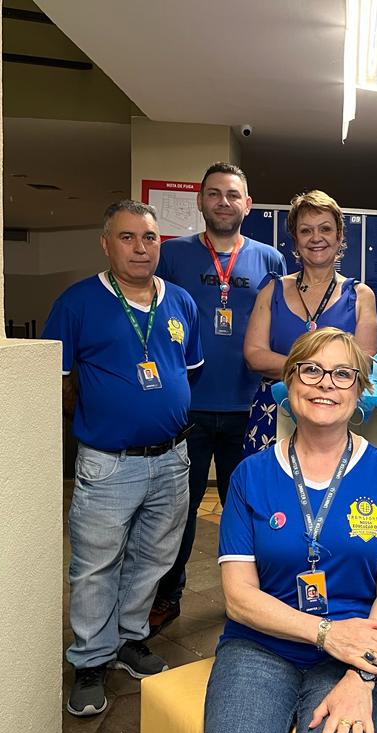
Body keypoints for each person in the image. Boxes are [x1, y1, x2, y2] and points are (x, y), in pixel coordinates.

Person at [205, 328, 377, 733]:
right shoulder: (250, 475)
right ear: (290, 382)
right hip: (260, 646)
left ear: (359, 389)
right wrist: (325, 633)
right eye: (311, 370)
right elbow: (239, 598)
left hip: (355, 652)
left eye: (343, 374)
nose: (325, 384)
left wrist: (362, 677)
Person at [43, 200, 204, 717]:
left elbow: (189, 370)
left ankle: (130, 639)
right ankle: (90, 661)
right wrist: (108, 415)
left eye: (150, 237)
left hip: (172, 458)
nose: (140, 247)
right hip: (108, 462)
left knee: (153, 558)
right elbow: (56, 379)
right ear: (106, 244)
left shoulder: (180, 301)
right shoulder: (77, 303)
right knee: (95, 565)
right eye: (128, 237)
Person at [149, 162, 285, 635]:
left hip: (252, 409)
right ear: (200, 201)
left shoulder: (270, 260)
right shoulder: (173, 256)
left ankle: (253, 601)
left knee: (248, 511)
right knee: (178, 513)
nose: (223, 202)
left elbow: (280, 325)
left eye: (232, 194)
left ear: (248, 204)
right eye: (214, 194)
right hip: (188, 408)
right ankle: (168, 595)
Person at [243, 190, 377, 454]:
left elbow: (363, 361)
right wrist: (318, 372)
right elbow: (254, 355)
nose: (316, 238)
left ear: (339, 236)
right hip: (273, 412)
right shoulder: (272, 290)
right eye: (306, 231)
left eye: (325, 229)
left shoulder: (361, 296)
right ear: (296, 240)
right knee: (268, 479)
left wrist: (302, 371)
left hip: (334, 413)